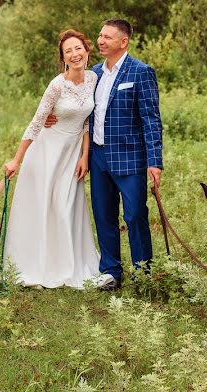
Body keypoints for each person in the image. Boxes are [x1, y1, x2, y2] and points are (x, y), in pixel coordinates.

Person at [52, 18, 163, 291]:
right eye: (100, 36)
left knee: (135, 215)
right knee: (103, 215)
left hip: (130, 159)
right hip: (98, 157)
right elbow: (76, 106)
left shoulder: (141, 72)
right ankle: (111, 271)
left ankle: (142, 272)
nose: (100, 41)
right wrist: (51, 119)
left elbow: (151, 120)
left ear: (123, 42)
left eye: (107, 37)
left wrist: (155, 162)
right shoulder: (94, 74)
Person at [1, 30, 101, 288]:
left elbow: (88, 122)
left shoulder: (93, 79)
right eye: (68, 51)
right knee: (47, 206)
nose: (75, 54)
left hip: (73, 154)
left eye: (78, 48)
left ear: (87, 51)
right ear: (63, 59)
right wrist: (16, 160)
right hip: (47, 152)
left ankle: (69, 264)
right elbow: (36, 122)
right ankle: (40, 264)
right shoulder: (57, 85)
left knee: (67, 206)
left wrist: (85, 156)